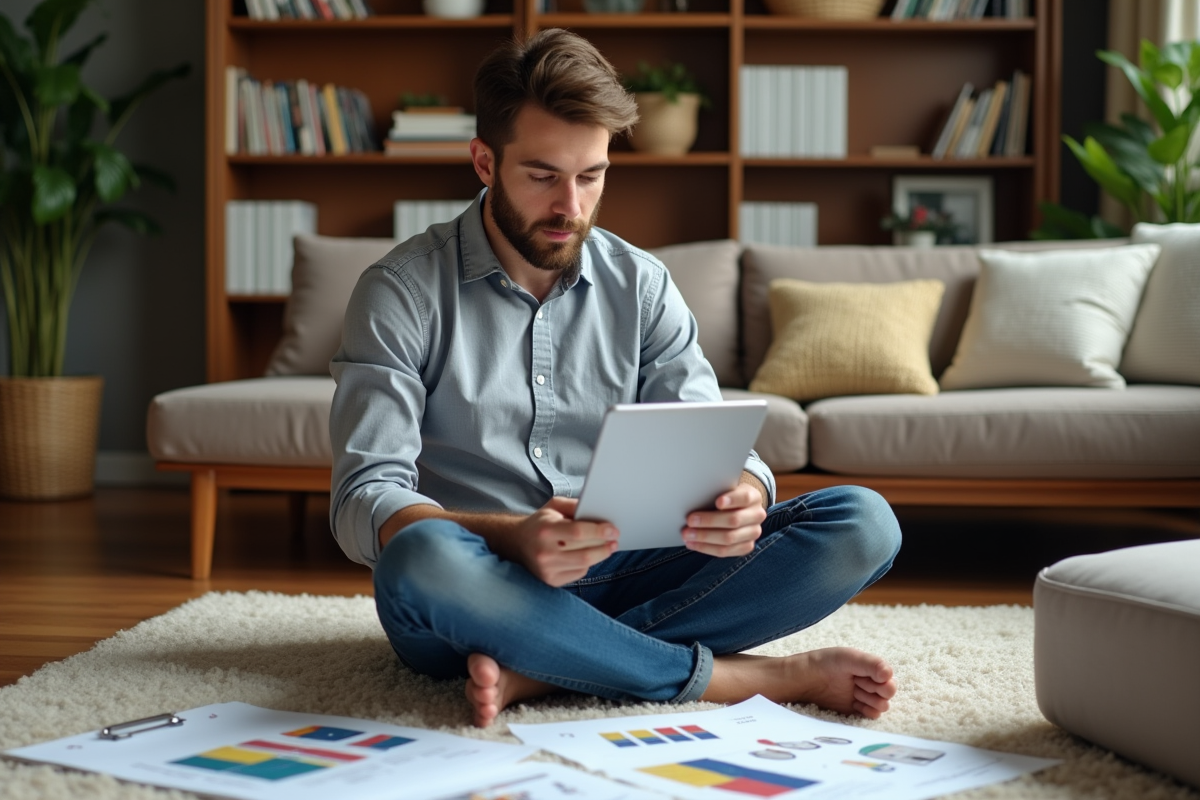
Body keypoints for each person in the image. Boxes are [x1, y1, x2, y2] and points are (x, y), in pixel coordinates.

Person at [329, 29, 902, 729]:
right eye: (542, 175)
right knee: (417, 556)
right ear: (484, 161)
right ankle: (739, 678)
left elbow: (709, 439)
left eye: (592, 175)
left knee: (863, 522)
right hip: (476, 584)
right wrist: (513, 536)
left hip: (623, 567)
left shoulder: (643, 284)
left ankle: (545, 669)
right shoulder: (400, 290)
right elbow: (366, 500)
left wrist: (743, 493)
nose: (571, 204)